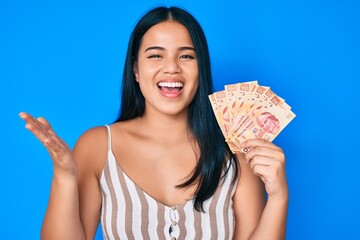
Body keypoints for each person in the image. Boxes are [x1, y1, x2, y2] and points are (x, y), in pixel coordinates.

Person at [20, 6, 288, 240]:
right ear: (135, 69)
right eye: (156, 55)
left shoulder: (236, 151)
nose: (171, 68)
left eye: (186, 56)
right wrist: (65, 177)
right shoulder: (98, 146)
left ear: (201, 68)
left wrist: (278, 197)